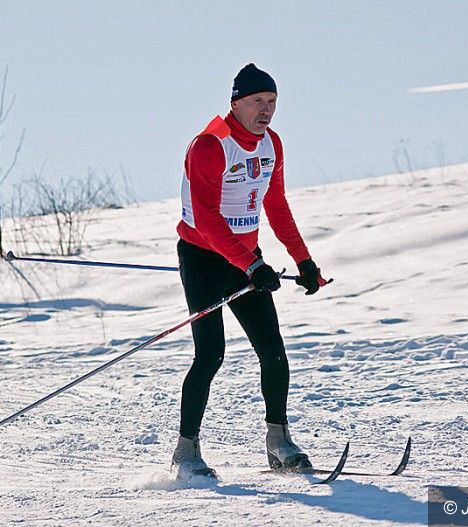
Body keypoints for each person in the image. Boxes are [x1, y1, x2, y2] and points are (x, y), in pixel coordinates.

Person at [172, 63, 328, 478]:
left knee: (273, 350)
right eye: (258, 101)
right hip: (203, 258)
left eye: (272, 101)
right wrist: (252, 265)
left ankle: (279, 443)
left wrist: (304, 260)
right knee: (210, 355)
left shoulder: (271, 144)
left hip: (245, 257)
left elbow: (275, 205)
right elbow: (207, 219)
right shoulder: (209, 146)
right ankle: (186, 452)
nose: (266, 109)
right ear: (236, 103)